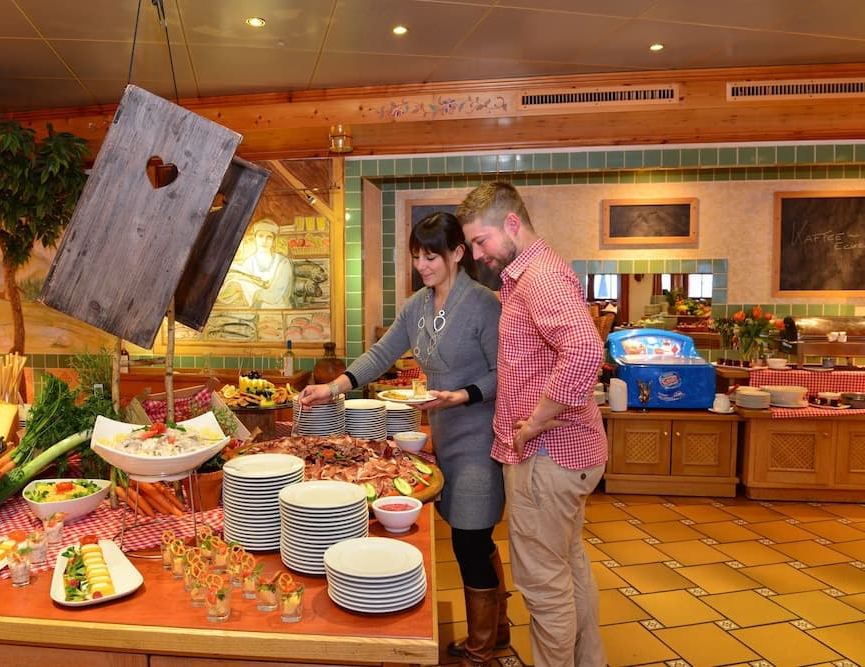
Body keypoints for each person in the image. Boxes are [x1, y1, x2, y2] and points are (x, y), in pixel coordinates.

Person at [299, 212, 507, 667]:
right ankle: (498, 629)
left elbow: (505, 373)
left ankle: (481, 649)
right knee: (472, 536)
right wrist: (332, 387)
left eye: (431, 256)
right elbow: (381, 354)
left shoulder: (483, 304)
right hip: (443, 433)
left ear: (457, 253)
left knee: (470, 538)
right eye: (416, 257)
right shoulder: (417, 305)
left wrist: (462, 394)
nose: (422, 266)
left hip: (479, 435)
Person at [456, 181, 608, 667]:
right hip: (568, 454)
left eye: (481, 241)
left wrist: (534, 424)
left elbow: (585, 351)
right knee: (569, 566)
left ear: (511, 223)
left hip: (548, 456)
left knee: (543, 583)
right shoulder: (532, 273)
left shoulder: (538, 276)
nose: (477, 255)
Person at [222, 218, 294, 308]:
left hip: (279, 308)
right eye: (260, 236)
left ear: (273, 240)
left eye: (269, 237)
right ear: (255, 238)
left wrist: (252, 291)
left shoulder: (283, 262)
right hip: (254, 308)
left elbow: (275, 296)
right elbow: (242, 290)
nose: (264, 240)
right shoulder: (249, 262)